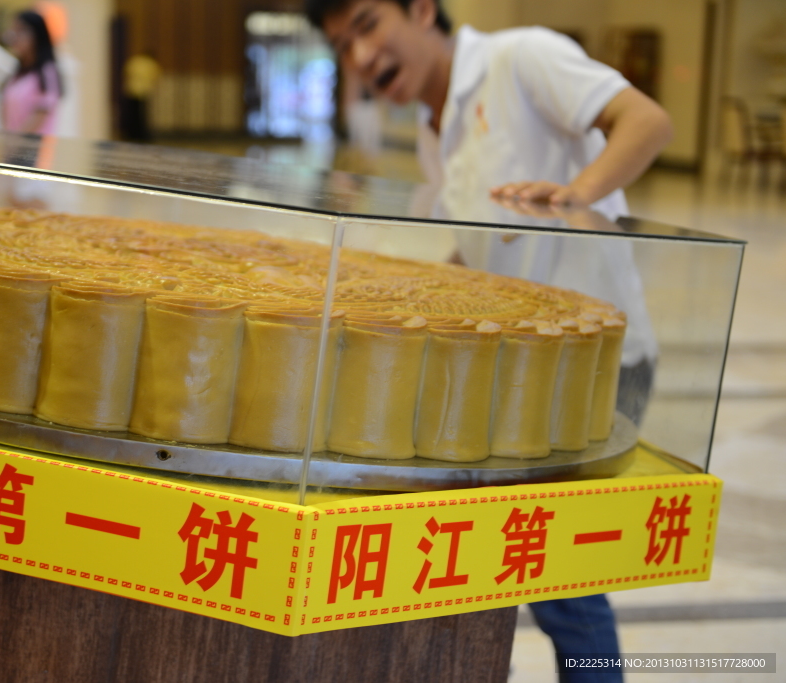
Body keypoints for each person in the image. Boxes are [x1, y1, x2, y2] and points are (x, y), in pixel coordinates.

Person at [307, 1, 674, 681]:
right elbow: (476, 254)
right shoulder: (431, 129)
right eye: (341, 45)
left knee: (564, 574)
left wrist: (574, 194)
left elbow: (646, 120)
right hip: (521, 373)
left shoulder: (520, 57)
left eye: (366, 25)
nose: (359, 58)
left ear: (421, 10)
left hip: (594, 363)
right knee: (517, 561)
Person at [2, 10, 62, 135]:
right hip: (12, 147)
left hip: (34, 149)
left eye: (21, 30)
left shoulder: (47, 71)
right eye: (14, 30)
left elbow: (40, 115)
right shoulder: (18, 72)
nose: (15, 36)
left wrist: (14, 141)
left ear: (37, 35)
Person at [122, 51, 160, 142]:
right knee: (142, 115)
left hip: (132, 90)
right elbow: (155, 77)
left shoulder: (135, 61)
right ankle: (142, 134)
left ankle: (131, 134)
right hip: (144, 91)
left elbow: (126, 72)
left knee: (132, 114)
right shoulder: (151, 64)